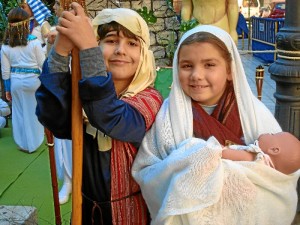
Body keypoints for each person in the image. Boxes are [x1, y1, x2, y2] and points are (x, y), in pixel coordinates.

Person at [131, 25, 298, 225]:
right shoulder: (168, 117)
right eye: (186, 66)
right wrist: (192, 162)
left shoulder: (255, 114)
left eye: (209, 65)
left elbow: (280, 178)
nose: (196, 75)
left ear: (229, 70)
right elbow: (147, 171)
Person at [35, 3, 163, 224]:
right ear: (98, 44)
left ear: (143, 54)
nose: (120, 50)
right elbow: (53, 118)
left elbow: (110, 116)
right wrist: (61, 52)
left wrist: (87, 48)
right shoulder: (83, 96)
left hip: (132, 214)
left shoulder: (149, 100)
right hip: (88, 210)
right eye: (111, 40)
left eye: (132, 43)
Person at [1, 7, 45, 153]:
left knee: (18, 114)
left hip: (15, 83)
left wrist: (7, 89)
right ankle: (34, 144)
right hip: (34, 81)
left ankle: (22, 144)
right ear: (26, 24)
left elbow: (5, 72)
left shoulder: (5, 46)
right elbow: (43, 65)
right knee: (34, 112)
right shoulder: (34, 42)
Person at [222, 131, 300, 175]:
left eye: (272, 134)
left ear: (274, 150)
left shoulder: (256, 158)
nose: (269, 132)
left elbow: (223, 154)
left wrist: (217, 148)